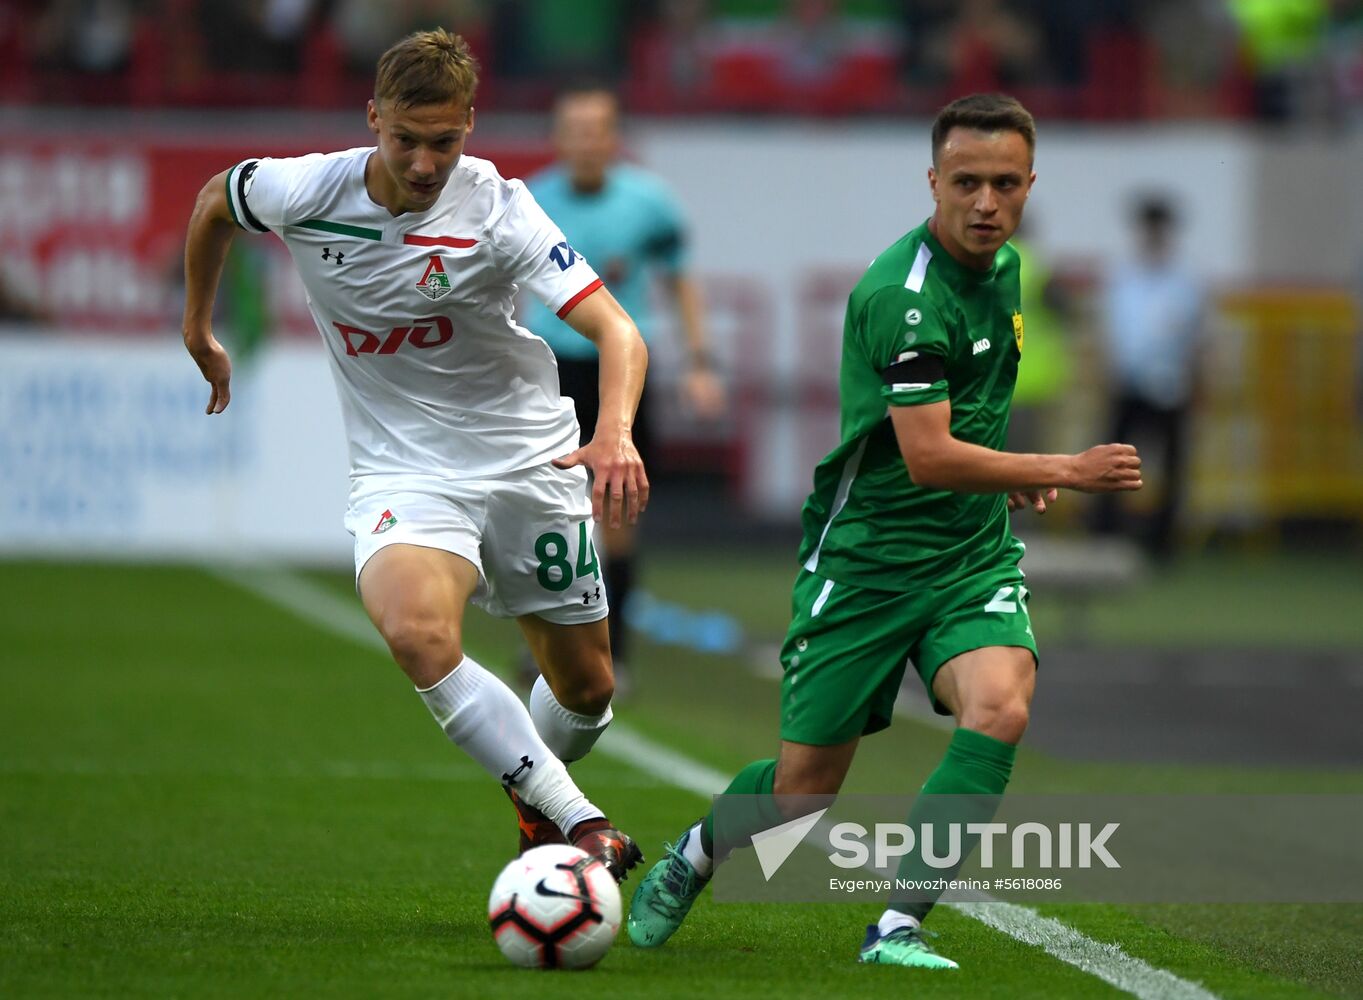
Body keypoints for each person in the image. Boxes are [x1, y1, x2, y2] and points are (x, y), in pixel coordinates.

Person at [626, 93, 1143, 969]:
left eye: (1005, 184)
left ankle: (897, 925)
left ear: (1028, 185)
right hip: (865, 562)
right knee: (800, 797)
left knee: (1000, 707)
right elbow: (929, 456)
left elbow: (966, 427)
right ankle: (694, 855)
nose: (986, 202)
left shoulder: (1008, 270)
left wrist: (1005, 482)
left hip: (968, 555)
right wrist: (1057, 469)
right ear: (932, 180)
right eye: (967, 182)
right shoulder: (901, 298)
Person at [180, 29, 648, 880]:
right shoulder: (302, 189)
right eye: (406, 140)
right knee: (417, 632)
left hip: (528, 465)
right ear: (373, 120)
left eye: (446, 141)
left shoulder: (501, 211)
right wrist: (196, 325)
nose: (426, 163)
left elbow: (616, 330)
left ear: (470, 124)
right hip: (404, 472)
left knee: (586, 696)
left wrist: (612, 430)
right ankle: (579, 823)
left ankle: (536, 793)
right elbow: (215, 200)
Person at [522, 84, 724, 685]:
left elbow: (680, 280)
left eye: (597, 130)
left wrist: (700, 360)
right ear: (558, 138)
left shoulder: (649, 203)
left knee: (616, 512)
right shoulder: (529, 201)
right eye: (574, 130)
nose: (586, 142)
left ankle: (617, 653)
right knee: (543, 516)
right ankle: (550, 646)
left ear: (614, 138)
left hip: (620, 372)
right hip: (548, 372)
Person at [1091, 194, 1205, 560]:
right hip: (1128, 383)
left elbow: (1197, 338)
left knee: (1171, 467)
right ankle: (1105, 535)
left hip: (1171, 386)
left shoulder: (1185, 280)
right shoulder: (1122, 277)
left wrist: (1197, 381)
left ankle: (1162, 543)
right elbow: (1110, 332)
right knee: (1112, 462)